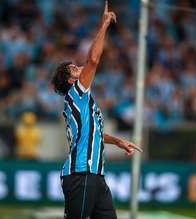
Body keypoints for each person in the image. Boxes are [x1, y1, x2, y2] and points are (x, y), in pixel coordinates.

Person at [51, 1, 142, 218]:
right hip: (81, 175)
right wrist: (104, 25)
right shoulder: (77, 94)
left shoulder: (82, 101)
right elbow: (93, 59)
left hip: (95, 175)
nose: (77, 66)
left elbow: (94, 133)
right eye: (73, 68)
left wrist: (118, 141)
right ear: (71, 80)